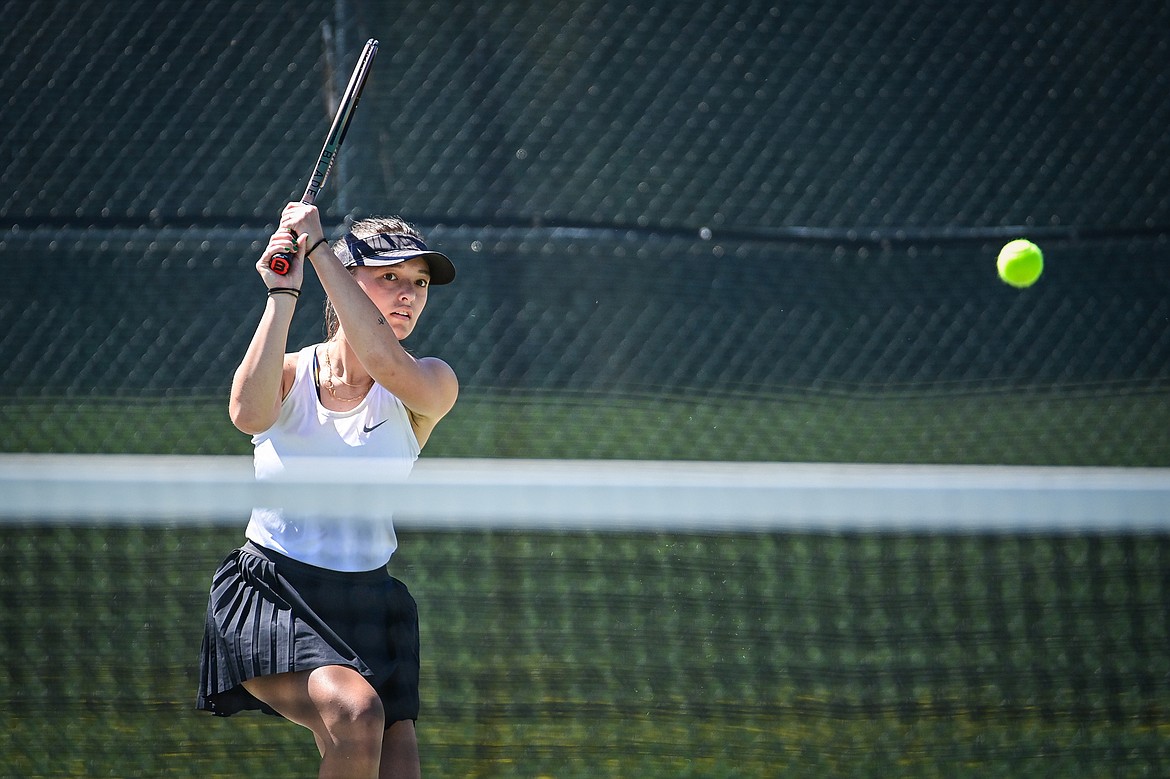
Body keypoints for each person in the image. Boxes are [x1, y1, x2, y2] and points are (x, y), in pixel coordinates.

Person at [197, 201, 458, 779]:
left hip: (373, 604)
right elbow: (246, 413)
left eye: (418, 282)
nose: (408, 293)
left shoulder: (428, 383)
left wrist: (316, 249)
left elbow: (384, 364)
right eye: (388, 277)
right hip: (274, 592)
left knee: (398, 769)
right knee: (354, 711)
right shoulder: (287, 373)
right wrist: (282, 294)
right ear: (344, 280)